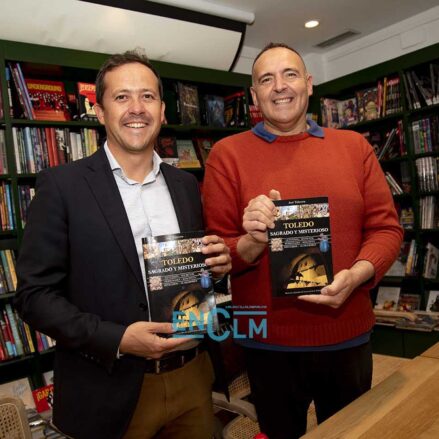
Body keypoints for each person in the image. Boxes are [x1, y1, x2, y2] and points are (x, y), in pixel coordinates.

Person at [14, 50, 231, 439]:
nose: (137, 108)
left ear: (163, 111)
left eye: (148, 96)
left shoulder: (185, 185)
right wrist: (117, 339)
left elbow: (193, 278)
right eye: (122, 97)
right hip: (108, 387)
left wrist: (215, 268)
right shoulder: (61, 186)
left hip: (193, 378)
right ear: (99, 112)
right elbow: (34, 295)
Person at [202, 43, 403, 439]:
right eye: (266, 79)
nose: (280, 87)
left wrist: (358, 275)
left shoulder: (354, 147)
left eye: (290, 74)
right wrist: (253, 239)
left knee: (352, 432)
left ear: (309, 84)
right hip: (265, 341)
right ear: (254, 95)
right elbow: (219, 254)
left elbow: (386, 230)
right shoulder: (226, 155)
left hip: (346, 330)